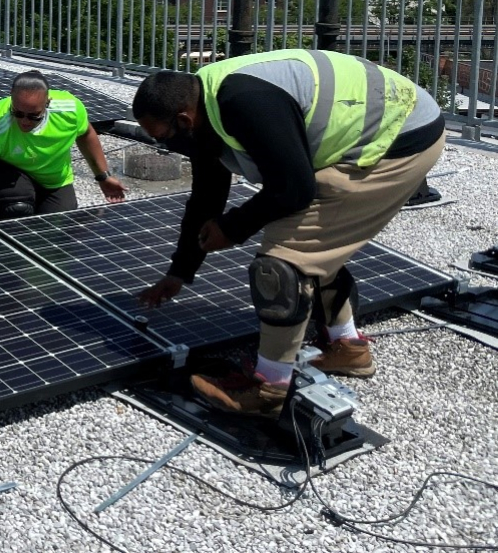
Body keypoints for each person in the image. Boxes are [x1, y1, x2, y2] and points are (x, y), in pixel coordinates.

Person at [132, 48, 445, 417]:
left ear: (184, 120)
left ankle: (269, 389)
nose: (167, 146)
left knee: (282, 262)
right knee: (311, 245)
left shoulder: (244, 103)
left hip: (399, 138)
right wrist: (181, 271)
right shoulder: (206, 107)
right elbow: (206, 197)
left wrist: (232, 229)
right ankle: (349, 349)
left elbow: (293, 190)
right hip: (394, 123)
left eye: (165, 136)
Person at [0, 69, 126, 223]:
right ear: (11, 98)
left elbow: (86, 134)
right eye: (18, 113)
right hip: (7, 174)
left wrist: (103, 176)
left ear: (47, 103)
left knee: (60, 225)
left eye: (34, 116)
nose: (24, 122)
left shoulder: (70, 110)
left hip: (53, 180)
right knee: (17, 206)